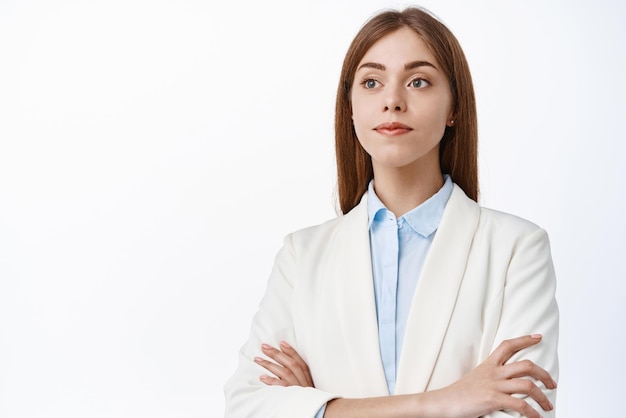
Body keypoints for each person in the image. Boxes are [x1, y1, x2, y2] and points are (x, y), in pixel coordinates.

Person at [224, 6, 558, 418]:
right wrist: (445, 401)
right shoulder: (302, 256)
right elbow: (248, 407)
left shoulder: (516, 249)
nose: (392, 101)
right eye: (371, 82)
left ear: (454, 106)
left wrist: (319, 406)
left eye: (418, 81)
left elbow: (521, 411)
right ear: (350, 108)